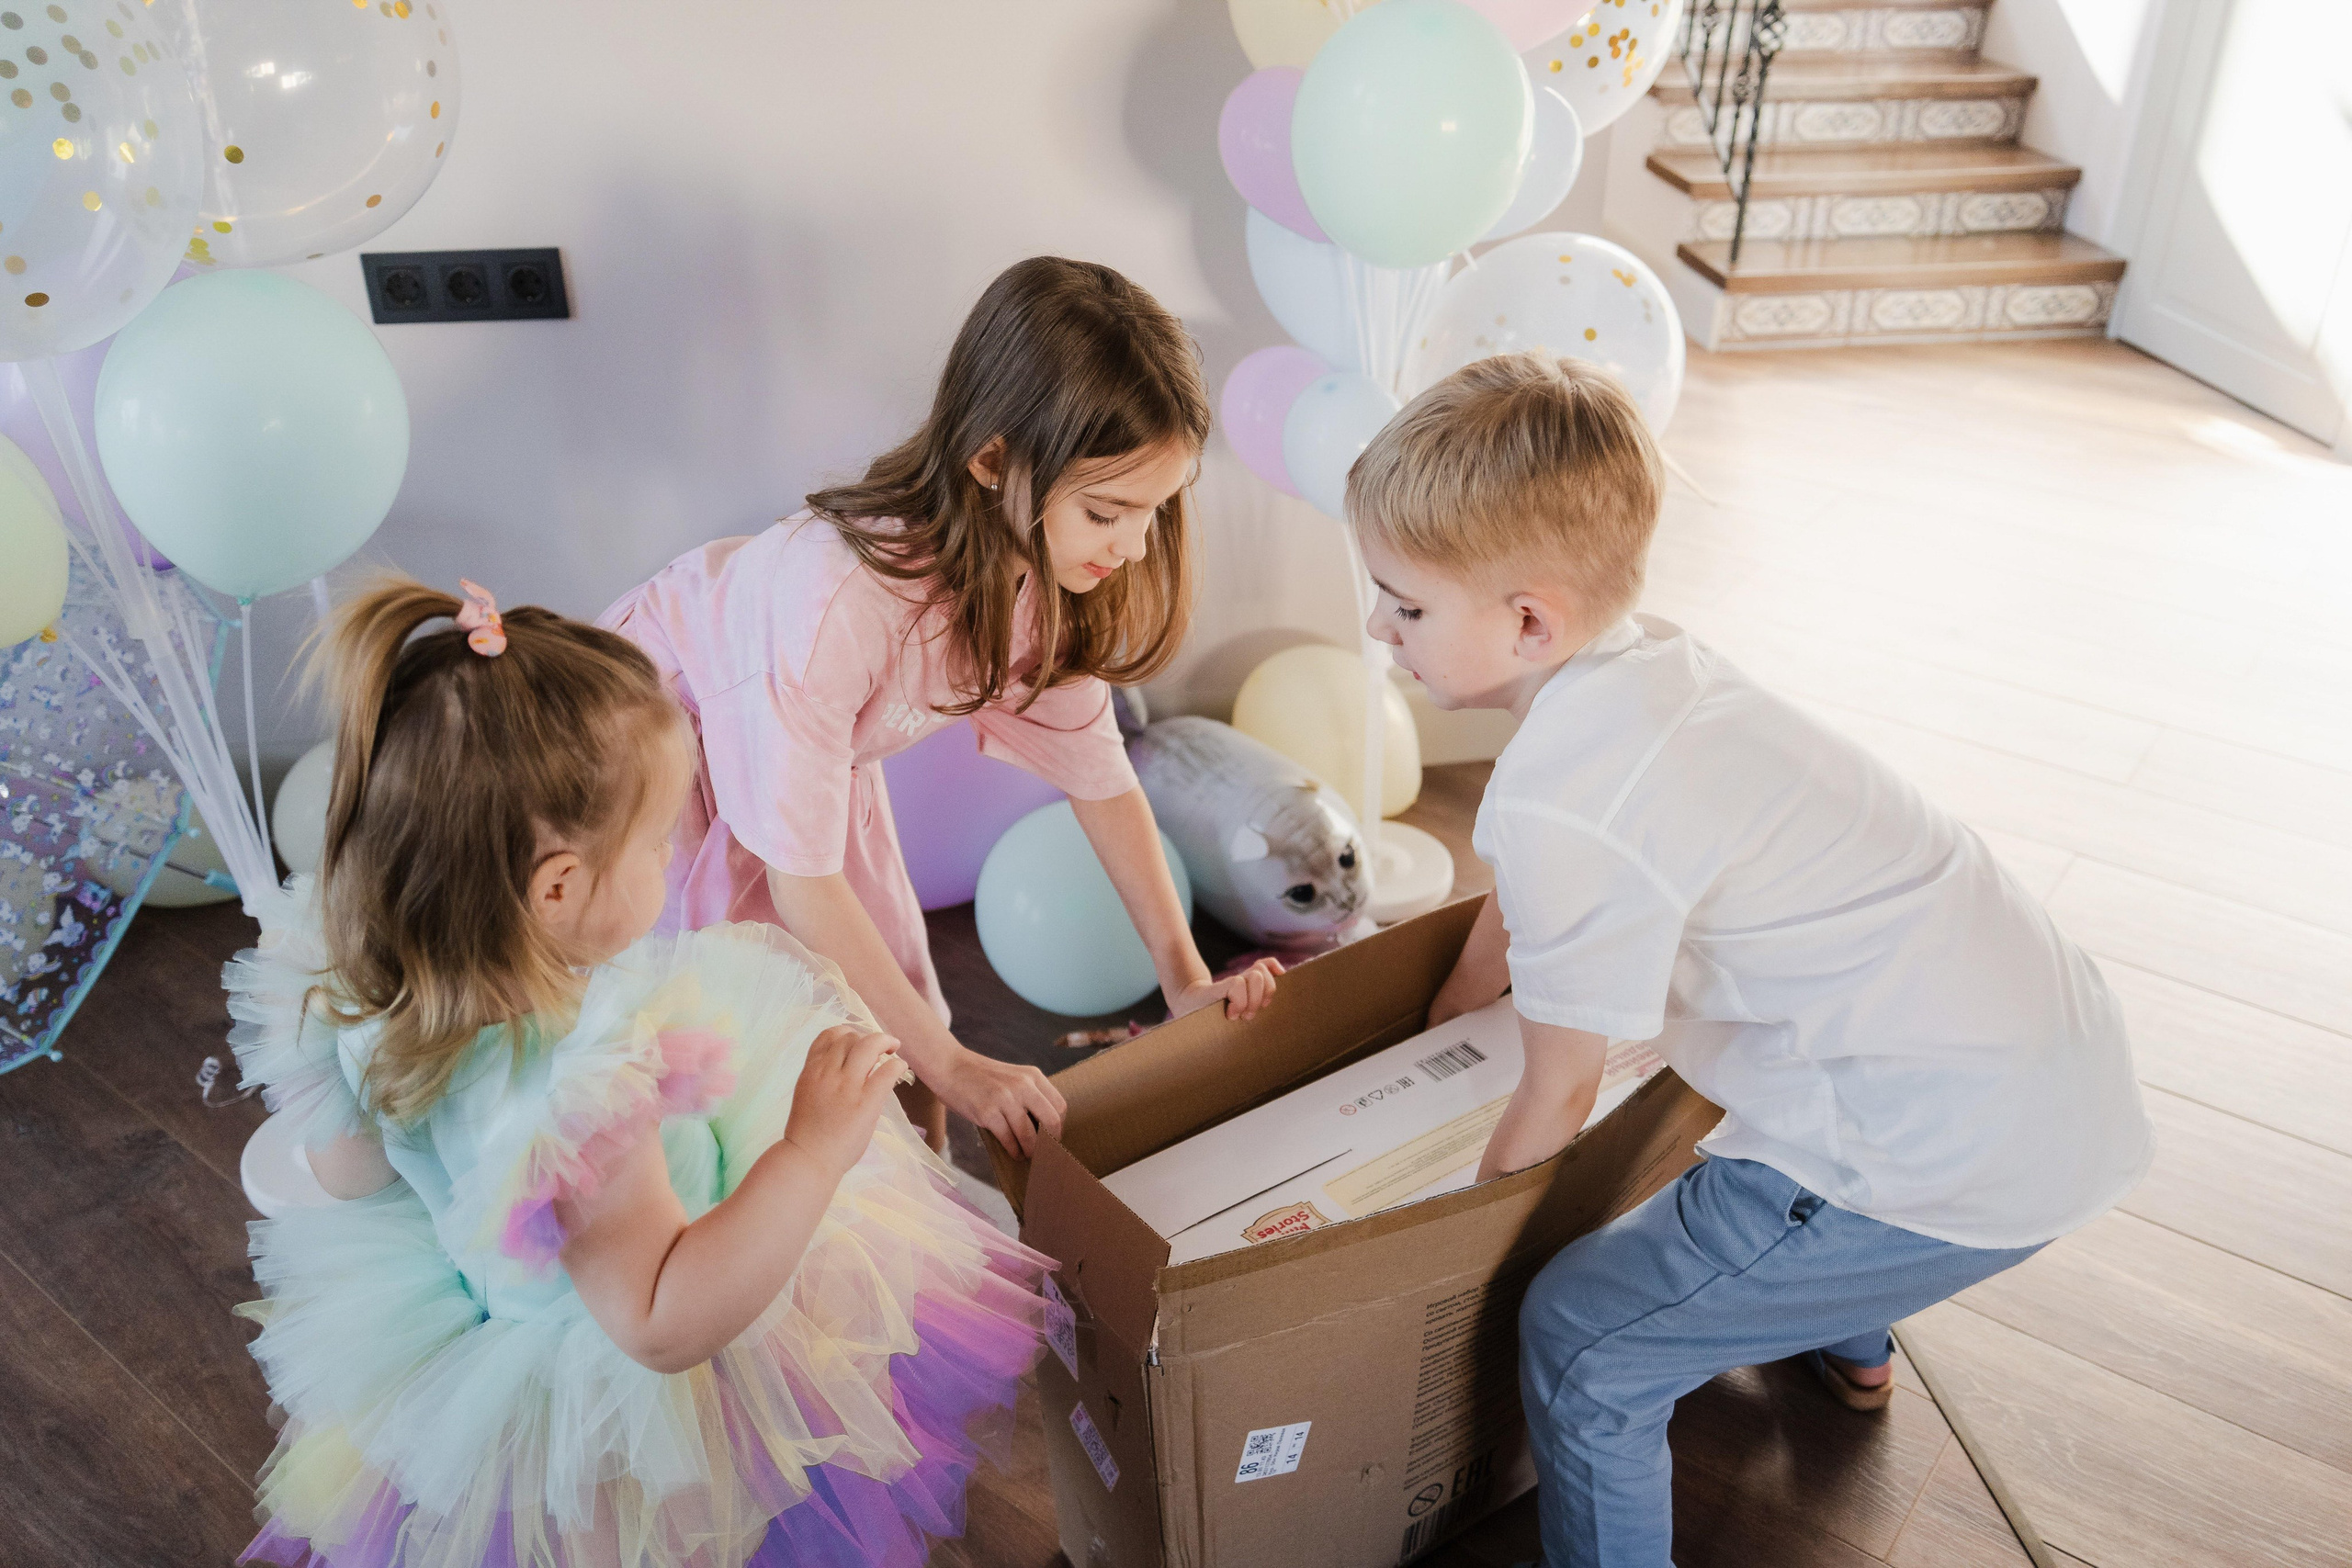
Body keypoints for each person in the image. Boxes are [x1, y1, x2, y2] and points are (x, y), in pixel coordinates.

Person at [1345, 354, 2153, 1567]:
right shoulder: (1650, 669)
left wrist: (1453, 1259)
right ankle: (1848, 1333)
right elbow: (1516, 900)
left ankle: (1818, 1304)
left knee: (1581, 1332)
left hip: (1935, 1158)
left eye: (1403, 603)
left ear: (1527, 621)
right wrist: (1449, 1011)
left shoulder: (1567, 797)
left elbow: (1556, 1089)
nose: (1376, 627)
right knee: (1771, 1065)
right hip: (2042, 1069)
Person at [231, 580, 1056, 1568]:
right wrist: (808, 1151)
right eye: (659, 842)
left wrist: (478, 1182)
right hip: (647, 1387)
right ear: (557, 887)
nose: (673, 861)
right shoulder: (588, 1098)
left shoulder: (368, 991)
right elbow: (664, 1324)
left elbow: (347, 1173)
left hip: (493, 1307)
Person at [602, 255, 1278, 1158]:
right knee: (730, 1045)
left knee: (906, 1016)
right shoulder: (839, 600)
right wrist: (957, 1065)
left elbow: (1101, 777)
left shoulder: (1046, 575)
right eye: (1110, 511)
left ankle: (929, 1195)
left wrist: (1185, 977)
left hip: (810, 759)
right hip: (660, 743)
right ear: (993, 461)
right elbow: (800, 876)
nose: (1133, 544)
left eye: (1154, 511)